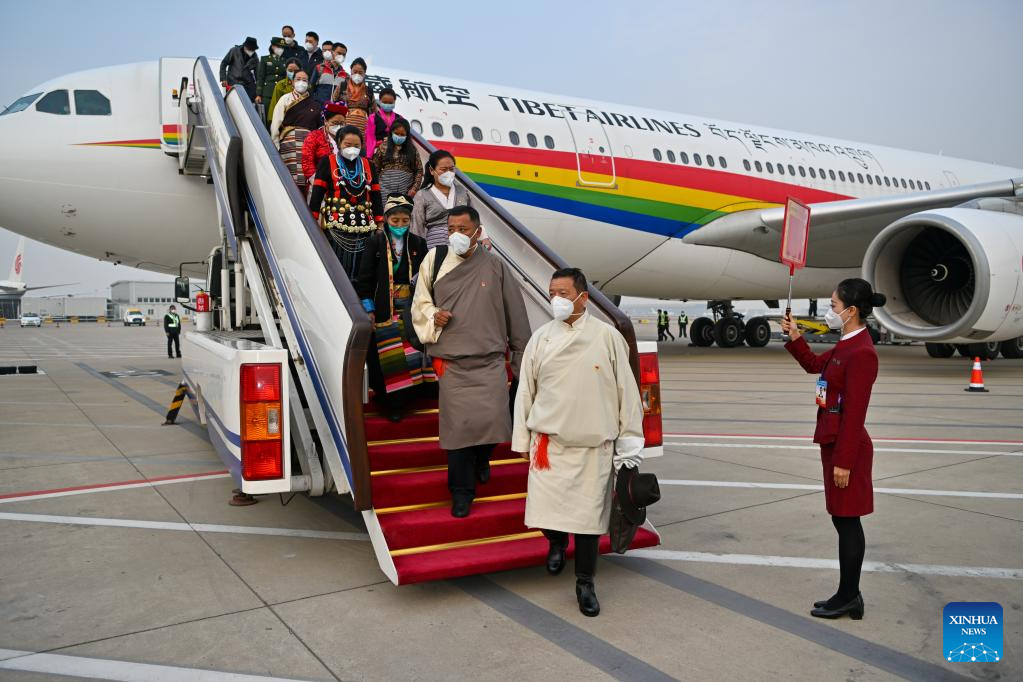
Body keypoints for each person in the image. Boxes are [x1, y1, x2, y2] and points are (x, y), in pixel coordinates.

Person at [512, 267, 644, 617]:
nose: (556, 299)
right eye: (552, 292)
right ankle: (555, 542)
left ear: (583, 297)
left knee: (588, 524)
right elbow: (526, 390)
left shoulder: (607, 337)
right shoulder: (541, 338)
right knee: (544, 513)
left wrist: (630, 446)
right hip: (549, 447)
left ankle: (585, 583)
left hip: (593, 449)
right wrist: (521, 438)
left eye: (563, 293)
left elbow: (626, 393)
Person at [411, 205, 530, 518]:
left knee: (497, 424)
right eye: (451, 229)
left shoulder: (495, 266)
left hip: (490, 362)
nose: (456, 235)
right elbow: (419, 303)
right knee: (458, 432)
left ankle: (482, 458)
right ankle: (461, 492)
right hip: (452, 363)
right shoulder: (434, 261)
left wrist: (521, 356)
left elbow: (515, 313)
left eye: (463, 229)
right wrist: (432, 315)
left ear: (477, 231)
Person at [780, 278, 886, 621]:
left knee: (847, 521)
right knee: (841, 520)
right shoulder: (847, 344)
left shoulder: (862, 352)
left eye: (834, 306)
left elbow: (855, 414)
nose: (829, 311)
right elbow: (815, 365)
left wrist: (844, 462)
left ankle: (849, 596)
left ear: (851, 311)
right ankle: (846, 594)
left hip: (847, 447)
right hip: (834, 440)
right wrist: (796, 337)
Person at [357, 195, 432, 421]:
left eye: (405, 220)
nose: (400, 225)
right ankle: (393, 405)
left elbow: (427, 276)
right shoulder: (375, 242)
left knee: (413, 352)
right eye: (395, 220)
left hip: (410, 307)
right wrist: (368, 309)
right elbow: (365, 278)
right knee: (390, 358)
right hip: (384, 309)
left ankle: (413, 398)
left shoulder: (419, 243)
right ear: (386, 220)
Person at [309, 125, 384, 280]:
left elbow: (376, 196)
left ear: (362, 145)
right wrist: (312, 218)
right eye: (347, 145)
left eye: (356, 145)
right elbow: (317, 193)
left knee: (361, 268)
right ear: (338, 144)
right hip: (336, 225)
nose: (352, 149)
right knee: (337, 267)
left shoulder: (368, 165)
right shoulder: (327, 162)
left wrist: (380, 222)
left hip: (364, 226)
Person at [270, 71, 320, 194]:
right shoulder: (285, 99)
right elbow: (276, 122)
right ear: (292, 82)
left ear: (308, 84)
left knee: (306, 178)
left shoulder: (315, 104)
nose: (301, 82)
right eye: (298, 79)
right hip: (289, 144)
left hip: (308, 144)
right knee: (290, 179)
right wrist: (275, 145)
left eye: (304, 80)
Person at [411, 150, 472, 249]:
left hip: (462, 246)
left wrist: (483, 237)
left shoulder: (462, 192)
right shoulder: (422, 195)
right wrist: (417, 250)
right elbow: (416, 226)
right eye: (443, 169)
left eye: (451, 169)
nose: (448, 173)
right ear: (431, 170)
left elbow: (474, 218)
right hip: (435, 247)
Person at [371, 117, 423, 199]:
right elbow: (375, 169)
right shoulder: (383, 147)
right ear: (391, 132)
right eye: (396, 133)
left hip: (405, 190)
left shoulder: (412, 150)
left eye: (402, 135)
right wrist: (376, 188)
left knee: (402, 211)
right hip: (384, 189)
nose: (399, 136)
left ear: (407, 135)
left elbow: (419, 170)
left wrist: (414, 189)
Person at [302, 101, 348, 190]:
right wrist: (317, 183)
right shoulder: (314, 136)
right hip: (319, 183)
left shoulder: (346, 138)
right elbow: (307, 161)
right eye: (334, 123)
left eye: (341, 123)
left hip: (342, 185)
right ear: (326, 121)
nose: (338, 126)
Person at [255, 38, 287, 122]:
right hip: (267, 92)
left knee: (277, 116)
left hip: (279, 93)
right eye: (279, 46)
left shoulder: (285, 61)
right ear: (273, 46)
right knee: (265, 116)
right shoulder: (265, 59)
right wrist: (258, 94)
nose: (281, 49)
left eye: (282, 47)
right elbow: (261, 77)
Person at [342, 58, 375, 138]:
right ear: (351, 71)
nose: (357, 74)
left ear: (364, 74)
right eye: (355, 72)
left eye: (360, 73)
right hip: (344, 125)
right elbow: (334, 104)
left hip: (363, 128)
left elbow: (373, 111)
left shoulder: (368, 91)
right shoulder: (342, 86)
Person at [365, 88, 399, 158]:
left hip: (395, 152)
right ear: (380, 100)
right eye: (385, 102)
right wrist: (369, 156)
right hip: (378, 151)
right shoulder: (373, 117)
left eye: (390, 103)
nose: (387, 104)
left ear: (395, 101)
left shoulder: (399, 118)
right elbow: (370, 138)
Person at [267, 59, 301, 125]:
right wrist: (272, 122)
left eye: (296, 71)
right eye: (290, 71)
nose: (293, 73)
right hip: (284, 122)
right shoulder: (280, 85)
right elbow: (274, 104)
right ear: (286, 70)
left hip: (301, 121)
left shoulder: (306, 85)